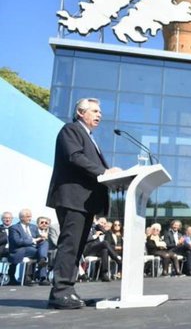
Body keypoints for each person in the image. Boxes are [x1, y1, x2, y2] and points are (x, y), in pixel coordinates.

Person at [46, 98, 121, 309]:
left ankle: (67, 291)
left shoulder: (89, 136)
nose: (99, 115)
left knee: (77, 248)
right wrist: (105, 172)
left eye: (100, 112)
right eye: (95, 111)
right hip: (72, 198)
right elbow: (74, 157)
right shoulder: (71, 130)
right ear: (80, 112)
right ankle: (60, 292)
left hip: (84, 202)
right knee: (70, 246)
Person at [8, 208, 50, 285]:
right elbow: (17, 242)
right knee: (40, 253)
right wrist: (32, 240)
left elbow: (39, 238)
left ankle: (42, 260)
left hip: (34, 248)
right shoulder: (14, 228)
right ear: (21, 217)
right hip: (21, 249)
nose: (30, 218)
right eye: (27, 216)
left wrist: (42, 238)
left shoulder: (33, 227)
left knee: (45, 243)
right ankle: (42, 278)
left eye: (30, 216)